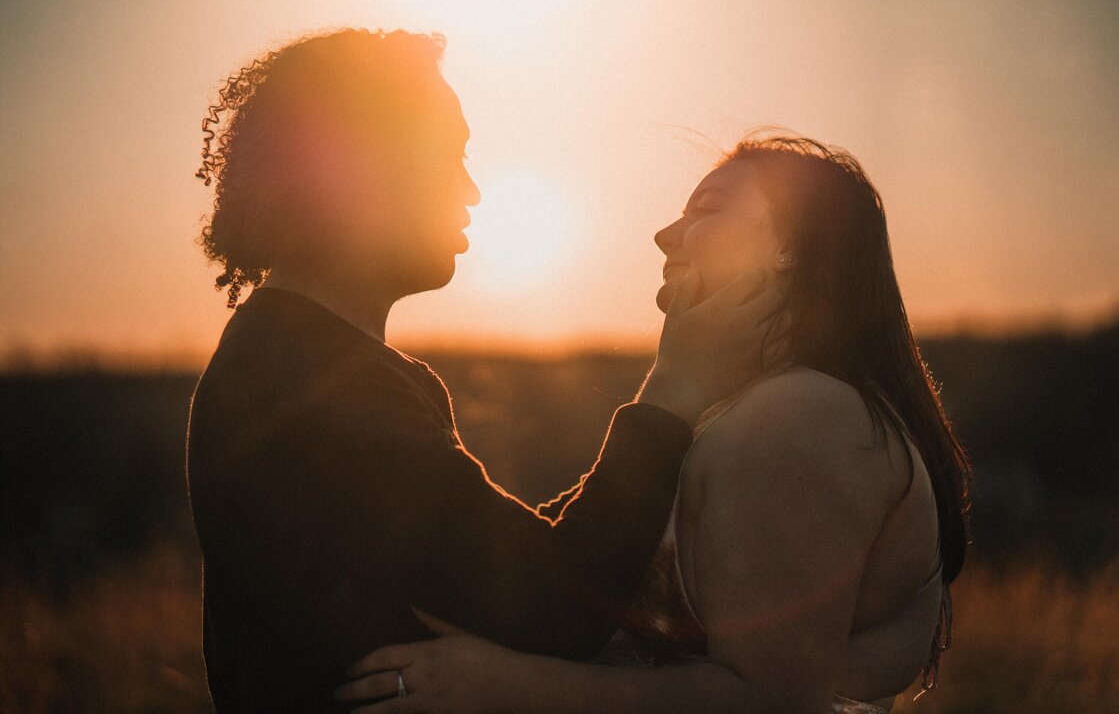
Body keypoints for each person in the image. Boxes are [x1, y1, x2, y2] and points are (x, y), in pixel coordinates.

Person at [185, 29, 781, 713]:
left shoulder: (306, 360)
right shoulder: (311, 383)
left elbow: (504, 566)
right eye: (450, 155)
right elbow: (550, 607)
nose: (470, 189)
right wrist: (676, 385)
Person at [336, 135, 971, 713]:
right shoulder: (757, 412)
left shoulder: (801, 415)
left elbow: (775, 701)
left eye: (708, 210)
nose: (665, 236)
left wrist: (504, 685)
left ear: (788, 245)